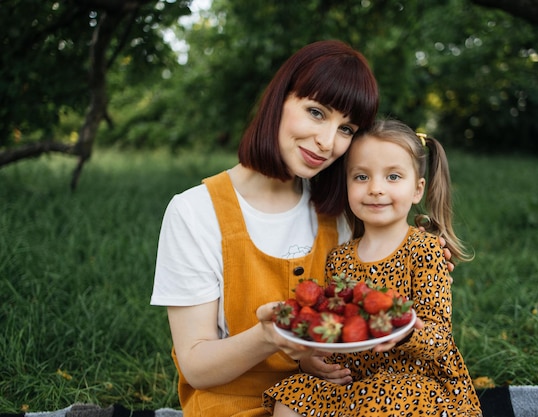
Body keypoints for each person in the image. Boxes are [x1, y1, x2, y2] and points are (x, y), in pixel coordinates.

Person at [150, 40, 452, 417]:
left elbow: (382, 275)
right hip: (231, 405)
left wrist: (423, 250)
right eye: (316, 112)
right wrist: (267, 337)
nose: (327, 142)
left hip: (333, 400)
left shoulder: (339, 211)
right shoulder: (194, 213)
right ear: (278, 100)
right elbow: (196, 367)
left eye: (346, 128)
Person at [264, 119, 482, 416]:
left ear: (417, 190)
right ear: (347, 185)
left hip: (416, 384)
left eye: (393, 177)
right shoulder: (339, 258)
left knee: (381, 399)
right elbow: (335, 324)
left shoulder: (425, 250)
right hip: (354, 380)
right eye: (361, 177)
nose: (376, 189)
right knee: (291, 393)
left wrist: (405, 333)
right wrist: (311, 359)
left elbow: (440, 339)